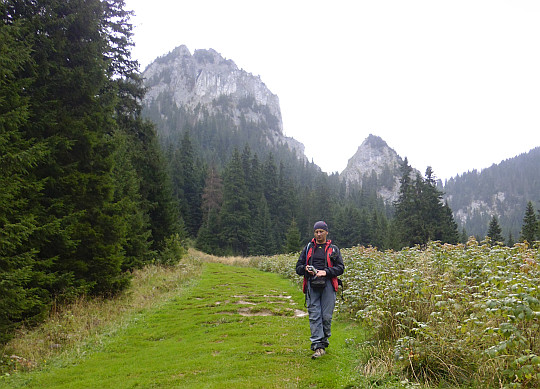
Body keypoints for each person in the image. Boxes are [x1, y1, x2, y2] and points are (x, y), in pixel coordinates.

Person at [296, 220, 344, 359]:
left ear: (326, 232)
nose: (318, 234)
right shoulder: (308, 248)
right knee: (314, 315)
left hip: (328, 284)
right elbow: (298, 267)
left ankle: (323, 341)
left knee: (326, 317)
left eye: (321, 231)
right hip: (312, 285)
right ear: (314, 233)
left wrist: (326, 272)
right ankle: (318, 346)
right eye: (316, 232)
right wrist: (305, 269)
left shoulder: (334, 249)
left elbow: (340, 268)